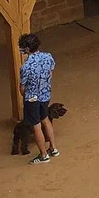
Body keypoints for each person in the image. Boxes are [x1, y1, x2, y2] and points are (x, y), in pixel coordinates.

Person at [19, 33, 59, 165]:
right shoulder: (48, 57)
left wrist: (27, 95)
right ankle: (53, 148)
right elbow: (51, 74)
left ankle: (43, 155)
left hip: (32, 98)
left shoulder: (26, 67)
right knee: (46, 119)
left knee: (36, 126)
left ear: (27, 49)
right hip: (45, 94)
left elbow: (22, 88)